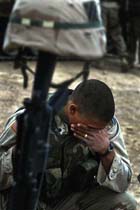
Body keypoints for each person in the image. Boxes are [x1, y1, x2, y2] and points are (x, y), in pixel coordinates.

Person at [0, 79, 137, 210]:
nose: (97, 133)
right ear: (72, 109)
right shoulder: (33, 118)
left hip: (67, 200)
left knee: (125, 202)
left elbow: (123, 184)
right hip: (28, 202)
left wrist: (106, 151)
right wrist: (19, 154)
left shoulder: (106, 125)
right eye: (90, 128)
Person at [101, 0, 129, 72]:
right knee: (116, 33)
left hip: (103, 5)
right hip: (114, 6)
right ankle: (123, 58)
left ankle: (100, 59)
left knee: (102, 33)